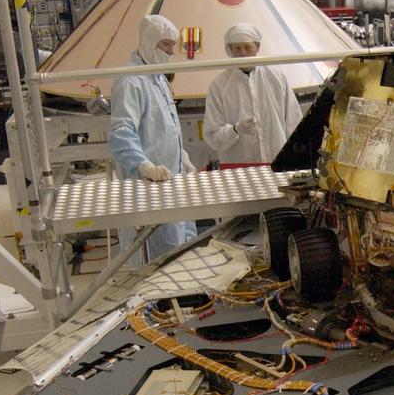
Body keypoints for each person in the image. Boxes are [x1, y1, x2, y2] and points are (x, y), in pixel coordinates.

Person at [108, 14, 196, 262]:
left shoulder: (158, 77)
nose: (170, 51)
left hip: (171, 182)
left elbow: (165, 127)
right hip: (149, 187)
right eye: (165, 44)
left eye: (172, 45)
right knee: (158, 263)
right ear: (149, 41)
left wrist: (182, 157)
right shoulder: (130, 80)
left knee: (179, 253)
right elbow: (121, 132)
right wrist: (142, 166)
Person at [203, 23, 302, 168]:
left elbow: (294, 123)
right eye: (237, 48)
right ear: (230, 50)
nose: (243, 53)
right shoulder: (219, 86)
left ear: (257, 47)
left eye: (248, 47)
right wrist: (235, 129)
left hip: (278, 162)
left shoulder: (277, 79)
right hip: (238, 168)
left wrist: (294, 158)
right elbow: (213, 137)